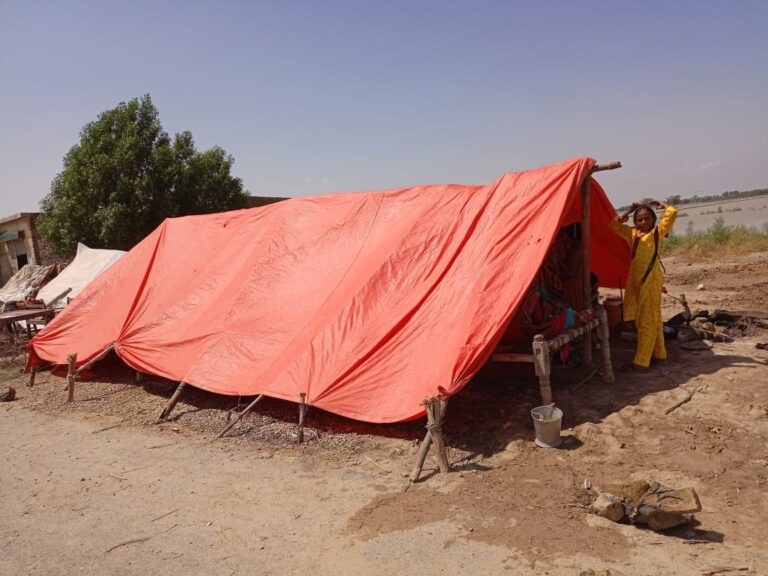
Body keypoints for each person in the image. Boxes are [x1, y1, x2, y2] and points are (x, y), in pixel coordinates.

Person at [609, 200, 677, 371]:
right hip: (636, 280)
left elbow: (672, 214)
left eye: (647, 219)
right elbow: (613, 226)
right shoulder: (632, 233)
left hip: (650, 280)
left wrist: (663, 205)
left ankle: (641, 361)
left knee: (645, 319)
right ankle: (660, 354)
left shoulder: (657, 232)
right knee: (653, 316)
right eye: (639, 219)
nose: (643, 222)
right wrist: (629, 211)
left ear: (653, 220)